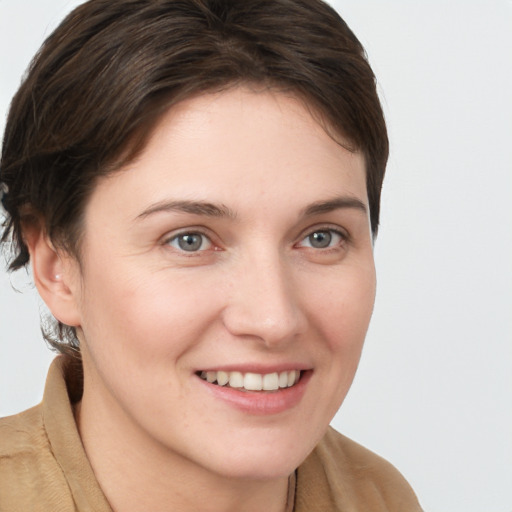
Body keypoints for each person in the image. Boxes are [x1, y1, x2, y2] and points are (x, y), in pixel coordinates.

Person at [0, 0, 423, 510]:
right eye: (190, 240)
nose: (274, 319)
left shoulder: (380, 498)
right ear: (56, 266)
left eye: (321, 237)